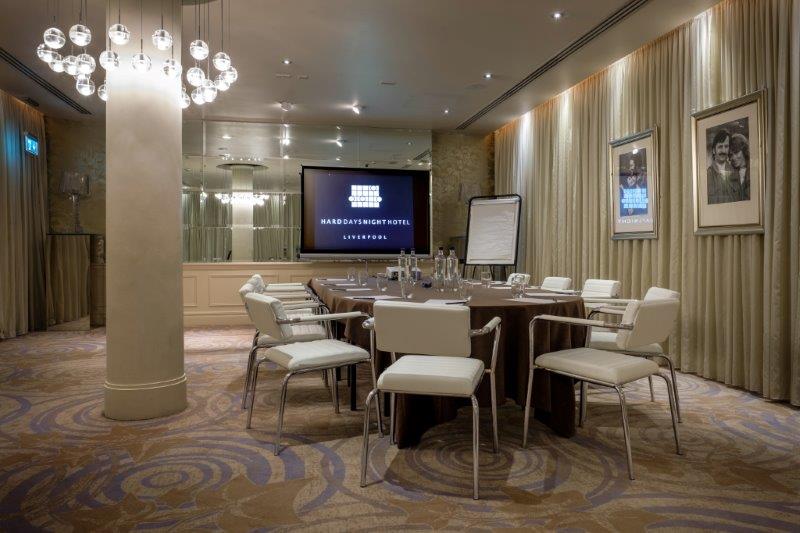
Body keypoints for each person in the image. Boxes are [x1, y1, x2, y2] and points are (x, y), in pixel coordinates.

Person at [706, 129, 741, 204]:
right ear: (713, 150)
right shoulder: (707, 175)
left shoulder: (736, 173)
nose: (723, 150)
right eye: (720, 147)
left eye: (726, 146)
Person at [729, 133, 750, 202]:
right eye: (731, 155)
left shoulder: (753, 171)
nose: (733, 158)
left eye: (736, 152)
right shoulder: (730, 175)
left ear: (744, 151)